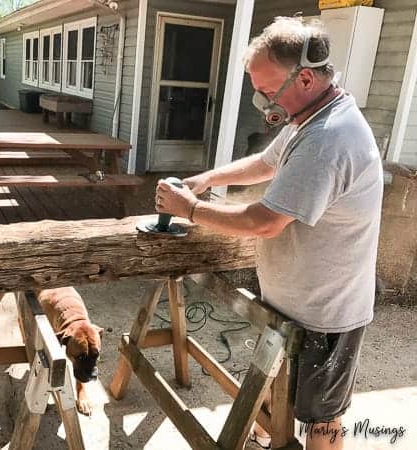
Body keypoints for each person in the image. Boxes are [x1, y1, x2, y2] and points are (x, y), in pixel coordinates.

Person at [155, 17, 383, 450]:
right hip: (293, 303)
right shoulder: (308, 118)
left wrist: (192, 209)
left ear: (306, 77)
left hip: (326, 315)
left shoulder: (328, 139)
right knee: (275, 388)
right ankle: (265, 435)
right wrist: (206, 179)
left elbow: (265, 220)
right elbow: (265, 163)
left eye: (267, 89)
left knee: (321, 420)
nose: (261, 99)